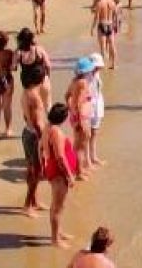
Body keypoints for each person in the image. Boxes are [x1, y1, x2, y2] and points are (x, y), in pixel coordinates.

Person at [43, 102, 77, 248]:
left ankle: (59, 232)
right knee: (57, 207)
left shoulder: (47, 127)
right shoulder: (56, 132)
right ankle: (55, 239)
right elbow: (60, 157)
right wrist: (69, 175)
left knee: (58, 205)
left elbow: (40, 147)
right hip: (59, 173)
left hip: (53, 169)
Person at [21, 81, 47, 217]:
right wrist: (44, 139)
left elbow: (26, 117)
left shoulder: (25, 93)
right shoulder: (35, 97)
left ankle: (34, 201)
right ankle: (27, 205)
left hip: (27, 131)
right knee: (36, 172)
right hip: (35, 136)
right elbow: (37, 122)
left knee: (31, 169)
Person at [66, 58, 94, 179]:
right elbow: (78, 102)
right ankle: (79, 172)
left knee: (77, 145)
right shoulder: (83, 83)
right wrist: (80, 120)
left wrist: (70, 110)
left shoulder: (74, 81)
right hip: (81, 117)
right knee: (80, 147)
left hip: (75, 116)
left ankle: (77, 169)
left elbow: (67, 96)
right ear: (86, 72)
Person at [16, 28, 52, 106]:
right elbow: (48, 65)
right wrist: (48, 77)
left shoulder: (19, 52)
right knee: (47, 105)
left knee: (28, 109)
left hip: (28, 83)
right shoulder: (39, 49)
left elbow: (13, 67)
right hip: (41, 79)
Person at [90, 0, 119, 69]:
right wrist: (116, 25)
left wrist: (92, 28)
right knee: (112, 45)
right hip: (110, 24)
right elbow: (116, 15)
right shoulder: (112, 2)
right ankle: (113, 64)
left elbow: (96, 17)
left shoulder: (100, 3)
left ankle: (103, 65)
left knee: (103, 47)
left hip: (102, 24)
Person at [86, 53, 107, 167]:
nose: (97, 68)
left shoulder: (97, 74)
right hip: (88, 106)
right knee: (86, 134)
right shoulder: (84, 76)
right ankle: (87, 160)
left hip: (97, 105)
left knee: (94, 133)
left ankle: (93, 157)